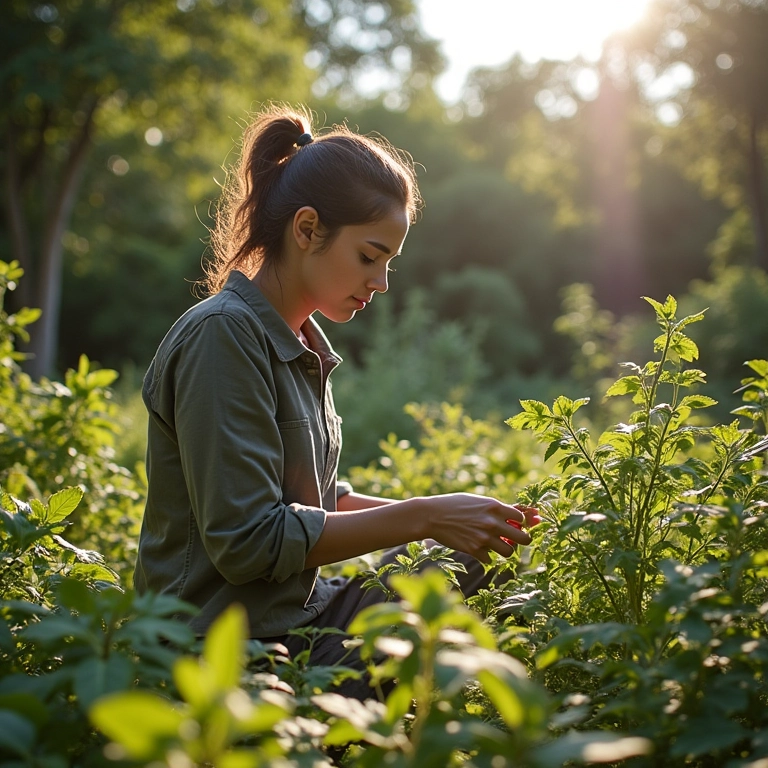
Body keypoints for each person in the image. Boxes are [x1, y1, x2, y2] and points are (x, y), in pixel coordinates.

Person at [134, 104, 534, 699]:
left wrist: (450, 521)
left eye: (389, 263)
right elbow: (248, 541)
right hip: (219, 654)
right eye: (369, 256)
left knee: (466, 558)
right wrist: (426, 515)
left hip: (299, 622)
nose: (382, 282)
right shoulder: (222, 335)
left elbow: (315, 500)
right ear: (306, 229)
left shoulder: (300, 345)